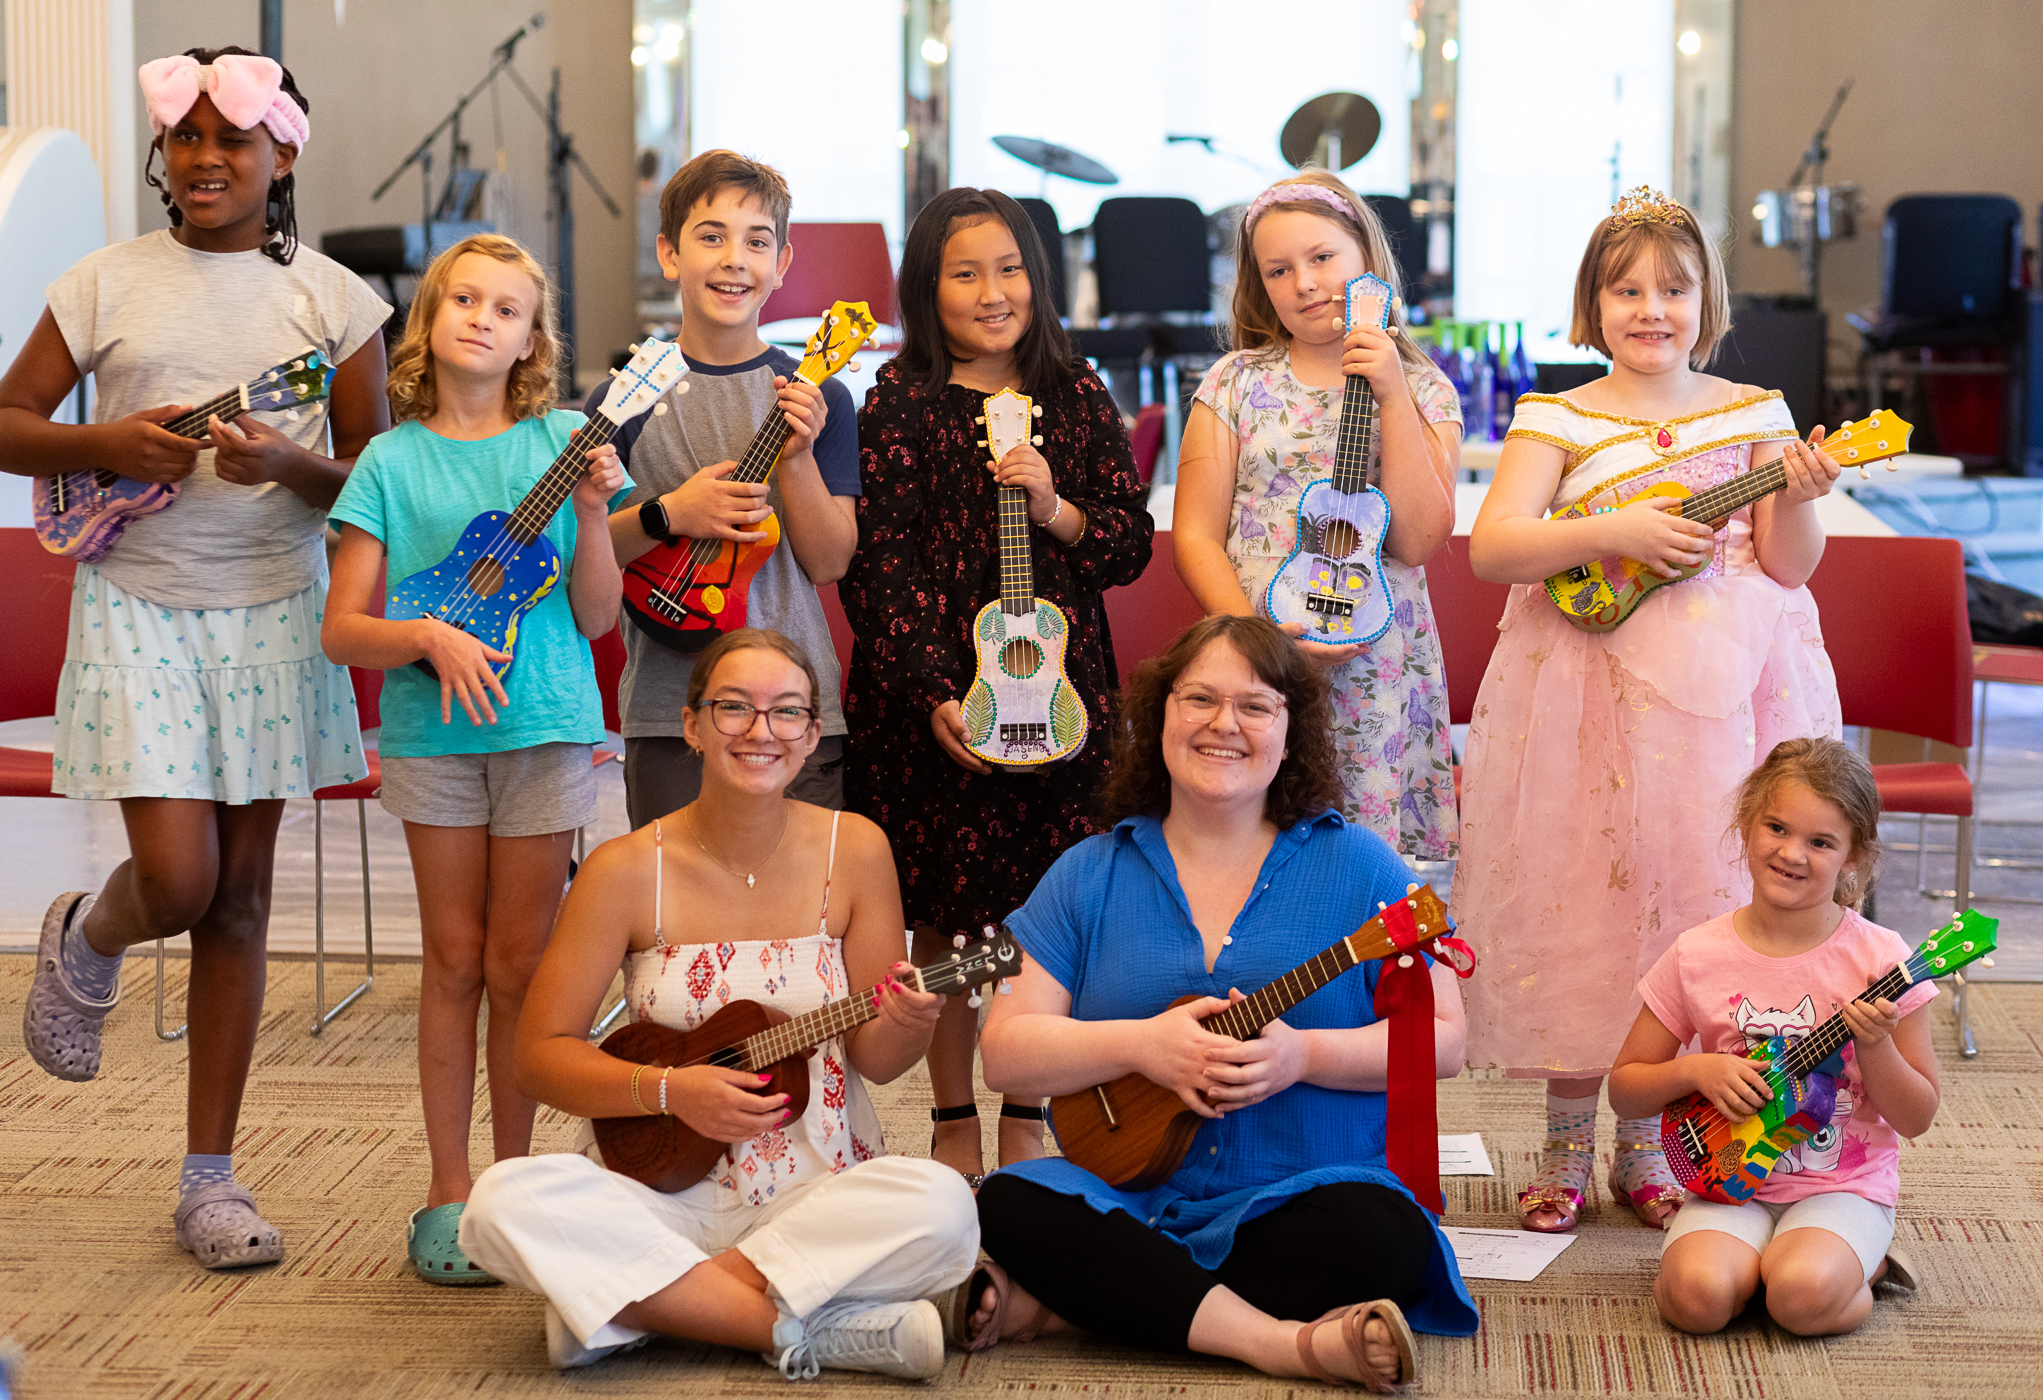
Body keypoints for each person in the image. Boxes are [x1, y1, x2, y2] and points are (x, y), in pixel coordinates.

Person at [0, 47, 390, 1268]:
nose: (207, 159)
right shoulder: (104, 282)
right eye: (187, 138)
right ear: (163, 154)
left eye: (234, 139)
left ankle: (209, 1178)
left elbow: (381, 469)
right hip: (140, 606)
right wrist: (108, 436)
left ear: (283, 154)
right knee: (180, 877)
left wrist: (293, 469)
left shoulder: (333, 298)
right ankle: (93, 933)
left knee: (241, 902)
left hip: (273, 609)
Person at [1453, 186, 1845, 1234]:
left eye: (1673, 287)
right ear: (1592, 304)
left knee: (1690, 901)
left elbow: (1788, 564)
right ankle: (1567, 1139)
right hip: (1588, 689)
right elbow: (1495, 545)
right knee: (1587, 895)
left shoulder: (1756, 409)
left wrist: (1799, 489)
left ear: (1706, 297)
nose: (1651, 308)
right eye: (1625, 289)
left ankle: (1652, 1139)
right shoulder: (1559, 413)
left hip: (1723, 694)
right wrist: (1614, 529)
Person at [959, 613, 1477, 1391]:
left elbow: (1441, 1040)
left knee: (1386, 1242)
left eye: (1256, 705)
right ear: (1158, 714)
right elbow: (1006, 1051)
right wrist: (1140, 1047)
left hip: (1308, 1196)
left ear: (1290, 730)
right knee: (1006, 1202)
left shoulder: (1364, 867)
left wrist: (1302, 1054)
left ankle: (1084, 1305)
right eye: (1198, 698)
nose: (1223, 724)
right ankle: (1280, 1342)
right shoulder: (1086, 873)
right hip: (1130, 1198)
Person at [458, 629, 979, 1380]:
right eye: (733, 707)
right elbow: (537, 1058)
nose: (760, 731)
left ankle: (632, 1308)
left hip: (817, 1186)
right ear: (692, 726)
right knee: (502, 1200)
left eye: (786, 712)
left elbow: (877, 1064)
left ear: (810, 736)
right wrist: (671, 1090)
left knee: (945, 1208)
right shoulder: (626, 869)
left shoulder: (857, 849)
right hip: (652, 1188)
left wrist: (906, 1024)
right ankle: (805, 1330)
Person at [321, 233, 626, 1284]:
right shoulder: (390, 462)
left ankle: (515, 1183)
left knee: (519, 964)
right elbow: (341, 629)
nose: (483, 318)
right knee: (452, 961)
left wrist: (592, 511)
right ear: (431, 318)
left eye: (508, 308)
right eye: (465, 299)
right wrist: (427, 636)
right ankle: (449, 1191)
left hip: (542, 725)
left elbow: (596, 614)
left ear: (533, 338)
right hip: (433, 739)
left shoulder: (559, 441)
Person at [841, 187, 1154, 1185]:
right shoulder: (898, 402)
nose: (992, 291)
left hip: (1058, 695)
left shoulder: (1079, 394)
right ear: (927, 288)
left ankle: (1026, 1101)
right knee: (943, 912)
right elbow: (876, 561)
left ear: (1041, 277)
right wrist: (934, 690)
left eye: (1010, 268)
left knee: (1041, 910)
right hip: (930, 699)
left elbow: (1128, 544)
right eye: (964, 272)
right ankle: (949, 1110)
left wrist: (1056, 505)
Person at [1172, 169, 1463, 860]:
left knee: (1359, 866)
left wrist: (1392, 390)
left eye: (1322, 258)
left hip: (1375, 667)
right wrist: (1258, 644)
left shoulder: (1425, 388)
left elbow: (1420, 538)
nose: (1303, 283)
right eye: (1279, 269)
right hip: (1254, 656)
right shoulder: (1236, 382)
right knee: (1253, 846)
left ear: (1366, 259)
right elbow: (1194, 534)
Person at [1609, 737, 1937, 1336]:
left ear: (1854, 857)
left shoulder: (1884, 962)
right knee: (1693, 1302)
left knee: (1801, 1299)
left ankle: (1861, 1268)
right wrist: (1694, 1071)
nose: (1792, 853)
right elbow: (1625, 1090)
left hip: (1843, 1184)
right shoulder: (1698, 954)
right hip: (1728, 1177)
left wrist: (1877, 1046)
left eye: (1821, 842)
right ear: (1746, 826)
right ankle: (1756, 1268)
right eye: (1777, 828)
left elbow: (1916, 1117)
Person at [599, 150, 859, 827]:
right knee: (672, 916)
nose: (733, 258)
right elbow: (583, 552)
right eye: (710, 236)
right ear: (668, 253)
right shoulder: (622, 397)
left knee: (805, 914)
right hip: (667, 707)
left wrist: (797, 459)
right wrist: (669, 514)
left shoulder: (818, 393)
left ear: (783, 265)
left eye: (757, 241)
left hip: (799, 706)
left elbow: (831, 562)